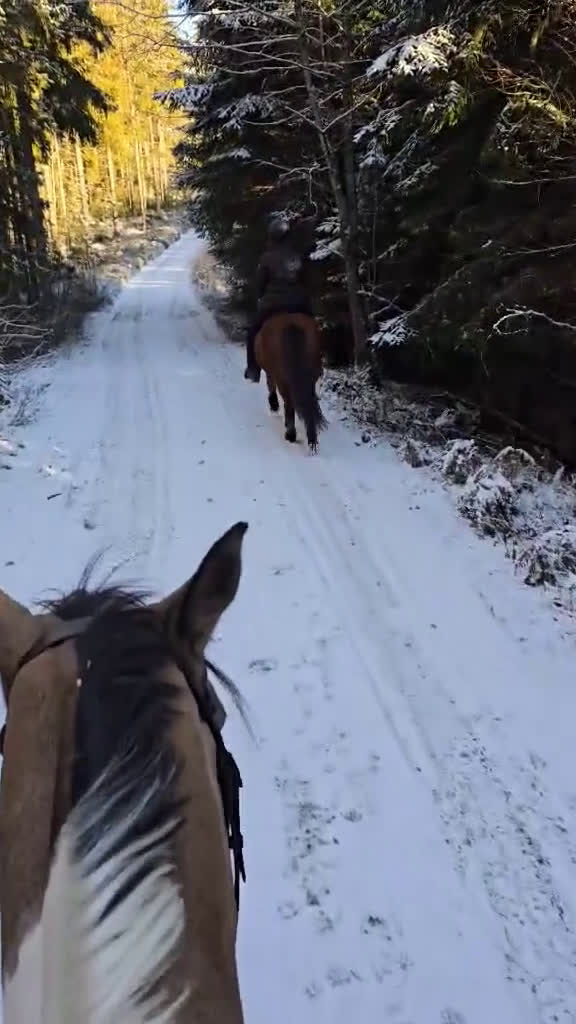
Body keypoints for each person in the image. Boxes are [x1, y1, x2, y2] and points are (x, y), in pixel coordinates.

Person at [244, 217, 313, 382]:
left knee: (252, 332)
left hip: (273, 304)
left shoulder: (267, 258)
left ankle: (253, 369)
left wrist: (259, 295)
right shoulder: (296, 256)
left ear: (272, 236)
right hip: (299, 303)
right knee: (313, 325)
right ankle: (319, 363)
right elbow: (306, 279)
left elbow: (260, 284)